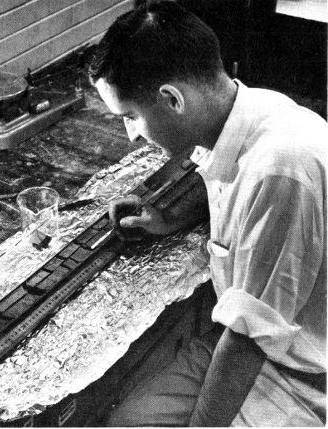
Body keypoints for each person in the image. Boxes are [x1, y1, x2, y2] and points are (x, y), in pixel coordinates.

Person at [88, 1, 326, 426]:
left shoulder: (281, 170)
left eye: (131, 116)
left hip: (298, 368)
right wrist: (170, 217)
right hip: (247, 340)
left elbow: (250, 336)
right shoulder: (248, 107)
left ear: (172, 99)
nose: (132, 135)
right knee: (127, 422)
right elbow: (226, 172)